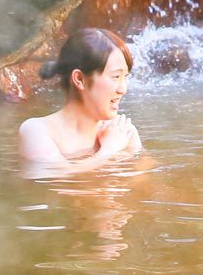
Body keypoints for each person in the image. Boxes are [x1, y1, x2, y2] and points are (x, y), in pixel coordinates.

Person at [18, 28, 142, 173]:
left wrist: (130, 149)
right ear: (79, 79)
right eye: (115, 77)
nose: (123, 89)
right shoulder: (36, 130)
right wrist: (108, 152)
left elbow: (143, 184)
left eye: (125, 77)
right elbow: (52, 177)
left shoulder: (121, 132)